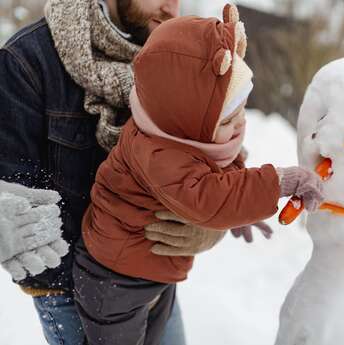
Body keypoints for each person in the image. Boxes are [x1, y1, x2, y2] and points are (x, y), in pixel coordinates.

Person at [73, 5, 325, 345]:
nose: (240, 125)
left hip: (149, 275)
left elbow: (221, 182)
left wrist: (242, 211)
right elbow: (210, 198)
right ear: (187, 120)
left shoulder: (179, 133)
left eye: (241, 110)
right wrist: (277, 184)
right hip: (114, 283)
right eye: (226, 120)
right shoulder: (160, 155)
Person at [0, 0, 239, 344]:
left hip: (158, 278)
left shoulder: (177, 56)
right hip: (76, 297)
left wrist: (212, 221)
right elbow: (14, 193)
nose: (173, 8)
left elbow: (211, 154)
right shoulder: (28, 61)